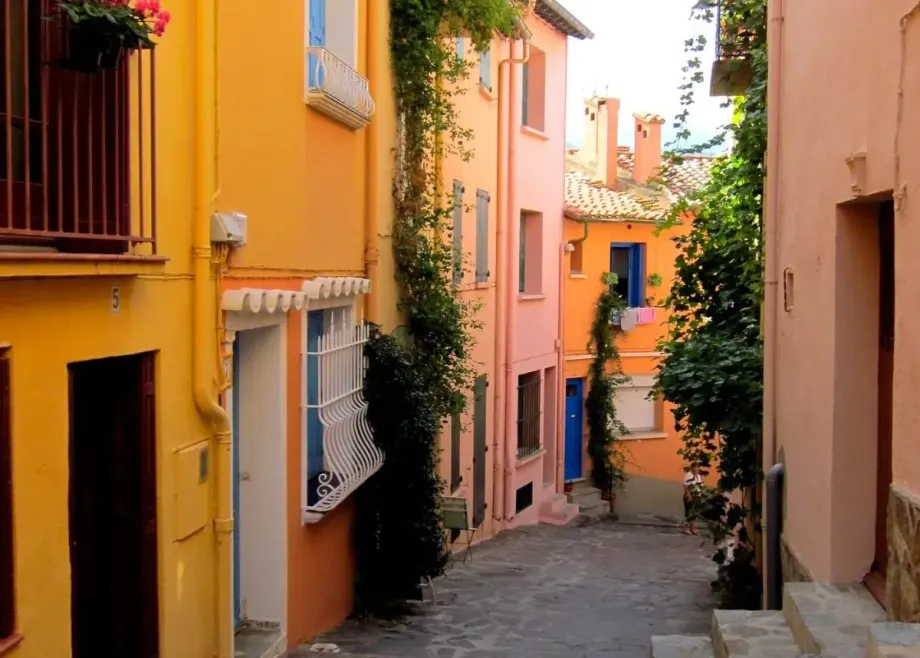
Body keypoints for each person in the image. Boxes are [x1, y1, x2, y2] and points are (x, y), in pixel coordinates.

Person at [682, 464, 703, 535]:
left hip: (697, 496)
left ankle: (692, 528)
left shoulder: (698, 476)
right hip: (690, 495)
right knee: (689, 512)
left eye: (697, 467)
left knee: (695, 513)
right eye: (695, 467)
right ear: (691, 468)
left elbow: (700, 486)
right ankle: (686, 528)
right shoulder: (689, 475)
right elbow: (685, 485)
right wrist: (688, 495)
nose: (696, 469)